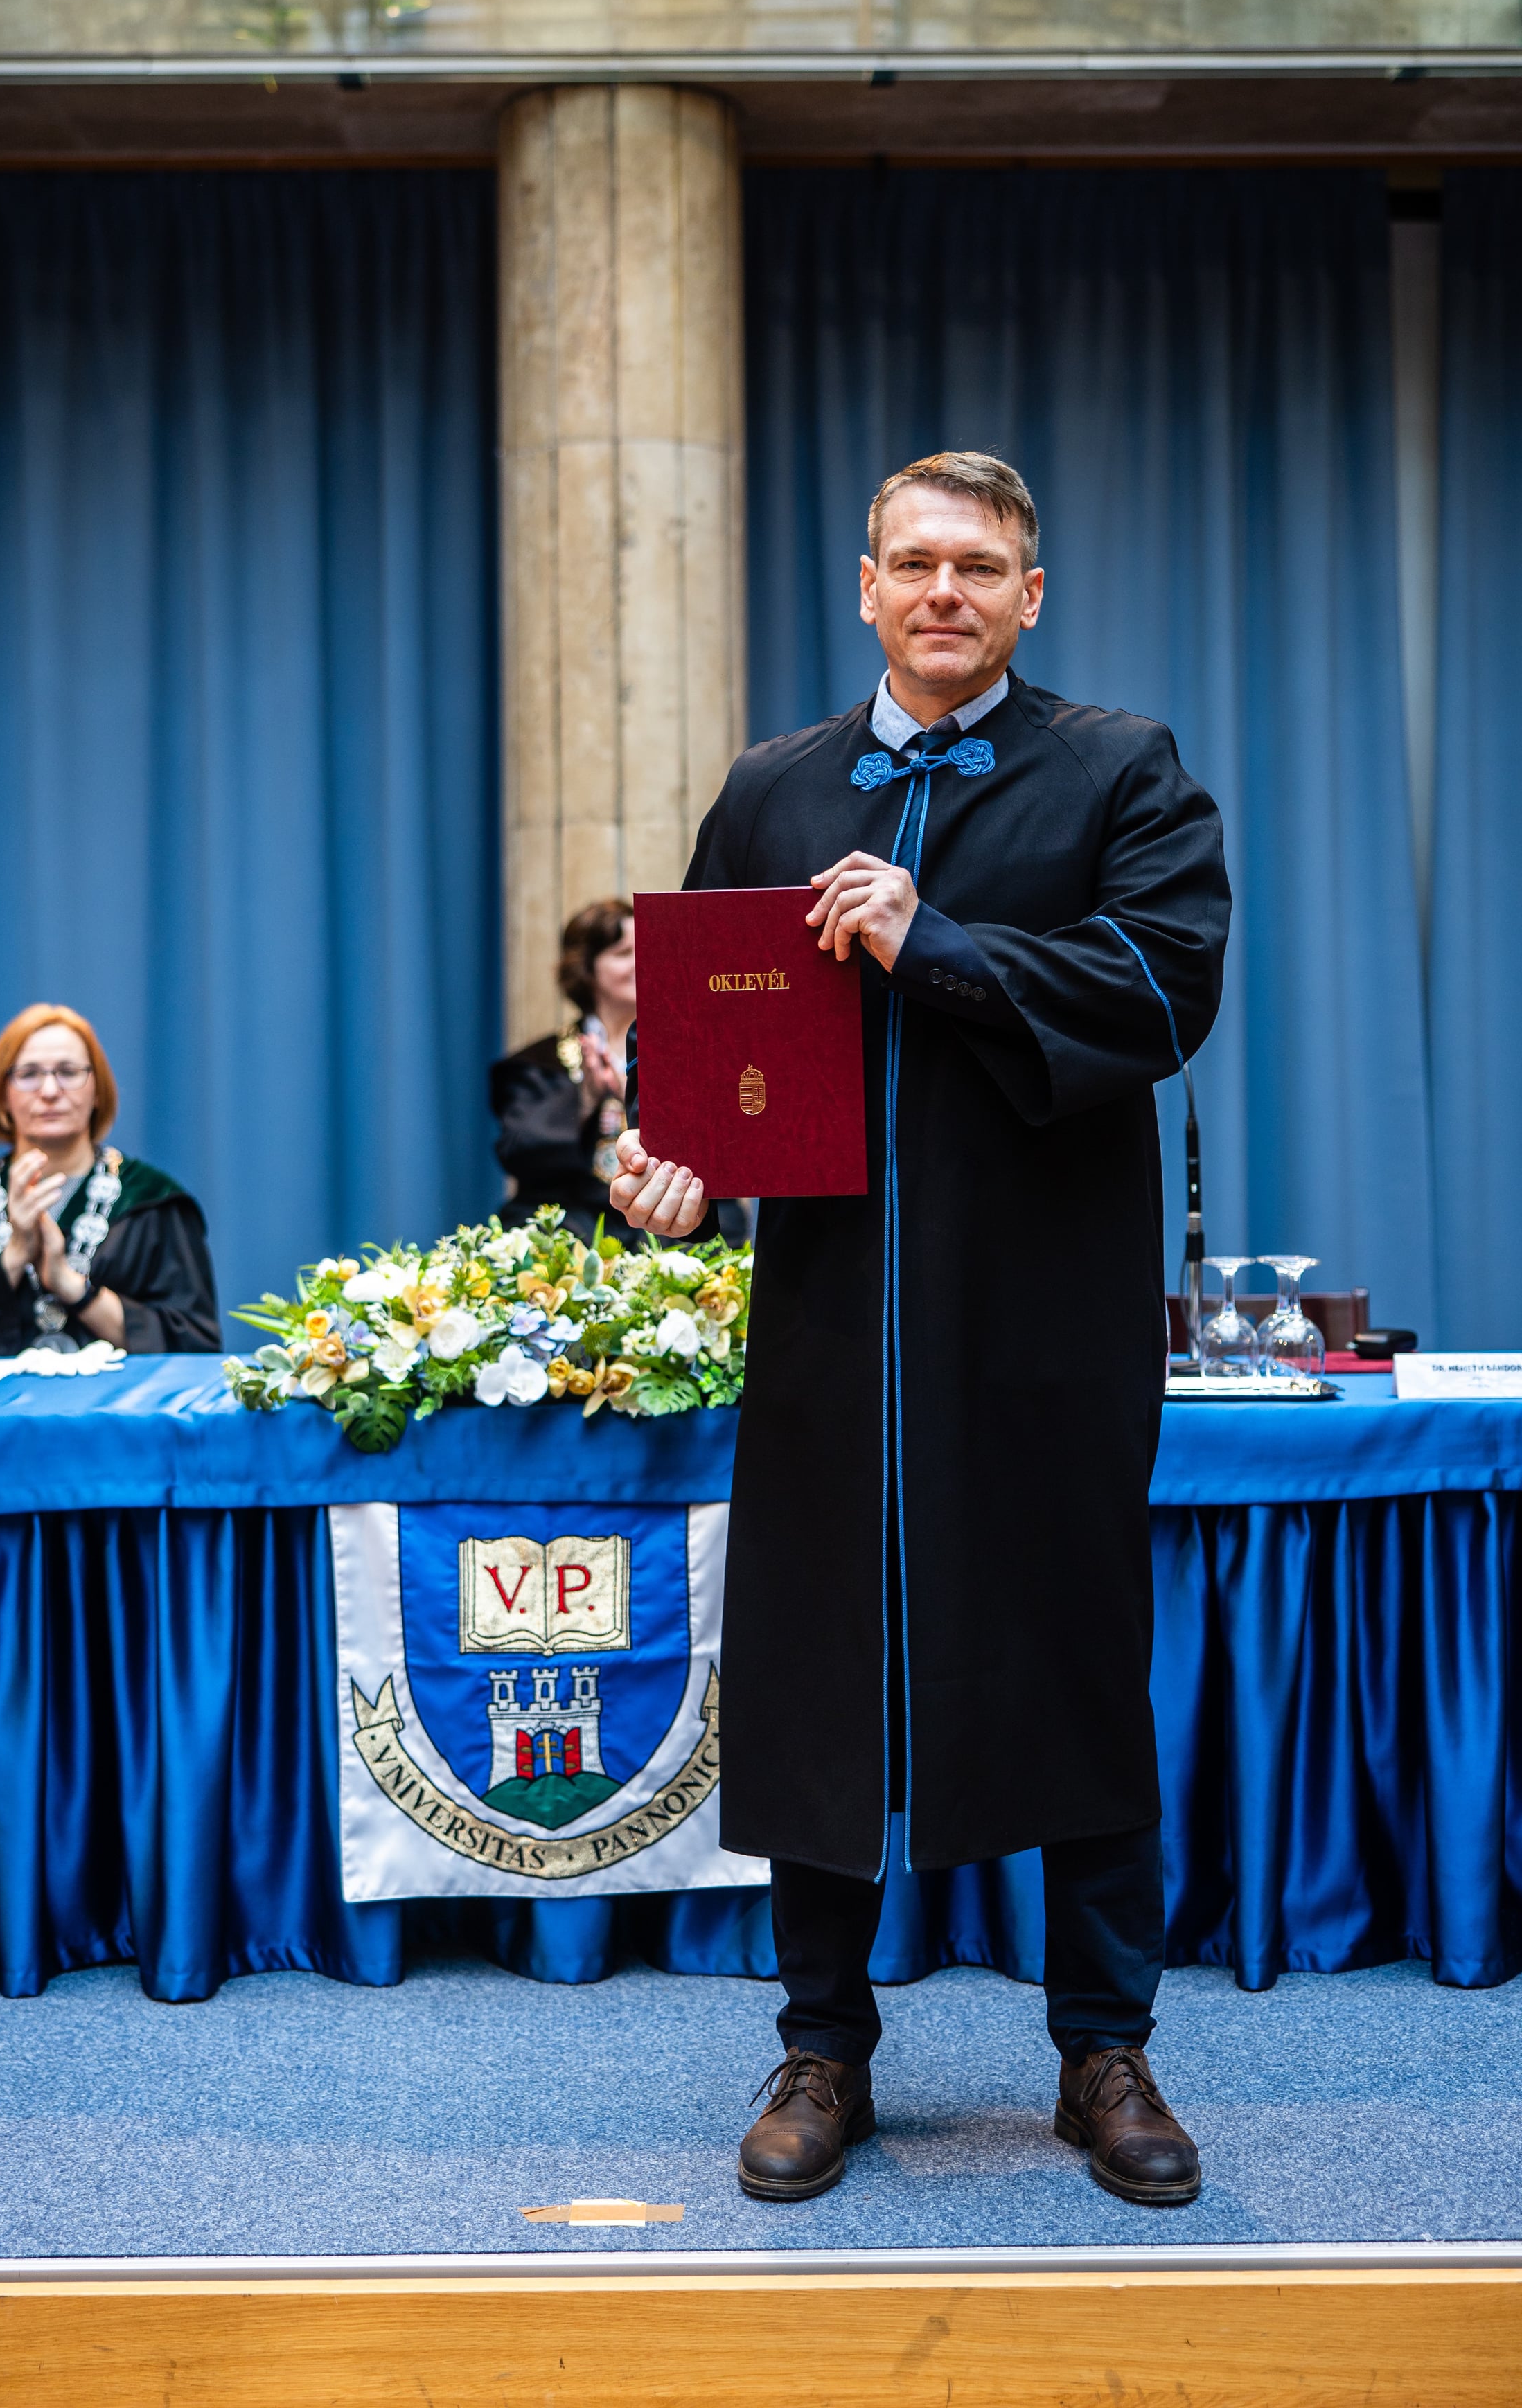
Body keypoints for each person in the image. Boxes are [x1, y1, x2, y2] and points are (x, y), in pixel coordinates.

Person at [612, 453, 1230, 2211]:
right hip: (829, 1318)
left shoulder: (1118, 769)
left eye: (977, 565)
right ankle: (822, 2044)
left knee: (1069, 1657)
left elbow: (1162, 991)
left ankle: (1102, 2047)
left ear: (1028, 594)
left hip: (1041, 1320)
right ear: (865, 586)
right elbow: (693, 1029)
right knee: (814, 1665)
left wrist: (930, 938)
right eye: (912, 562)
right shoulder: (772, 785)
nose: (942, 590)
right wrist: (673, 1154)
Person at [0, 1002, 220, 1358]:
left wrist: (72, 1287)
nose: (49, 1090)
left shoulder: (156, 1204)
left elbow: (192, 1348)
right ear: (2, 1094)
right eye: (29, 1073)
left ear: (97, 1090)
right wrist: (14, 1257)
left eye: (69, 1072)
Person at [492, 900, 745, 1249]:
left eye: (646, 948)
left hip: (674, 1233)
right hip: (573, 1231)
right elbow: (520, 1153)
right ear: (586, 968)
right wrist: (587, 1099)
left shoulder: (692, 1054)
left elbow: (726, 1151)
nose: (642, 961)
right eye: (624, 953)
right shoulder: (538, 1062)